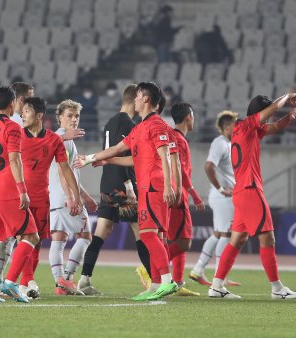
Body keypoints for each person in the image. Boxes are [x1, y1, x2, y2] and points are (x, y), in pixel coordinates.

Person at [75, 82, 179, 301]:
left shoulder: (156, 125)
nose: (136, 99)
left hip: (154, 186)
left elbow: (165, 156)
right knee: (151, 234)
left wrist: (169, 185)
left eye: (139, 95)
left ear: (147, 100)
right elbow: (124, 153)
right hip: (144, 186)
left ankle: (166, 281)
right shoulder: (139, 127)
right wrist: (97, 159)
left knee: (149, 234)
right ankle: (156, 284)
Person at [208, 93, 296, 300]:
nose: (267, 119)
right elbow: (271, 112)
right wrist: (288, 96)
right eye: (265, 113)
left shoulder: (247, 130)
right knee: (267, 237)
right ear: (259, 112)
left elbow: (275, 126)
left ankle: (216, 286)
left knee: (237, 240)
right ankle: (277, 289)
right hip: (250, 190)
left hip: (241, 192)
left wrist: (288, 116)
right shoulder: (245, 125)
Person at [0, 86, 39, 303]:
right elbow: (14, 159)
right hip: (7, 191)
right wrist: (22, 190)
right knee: (31, 235)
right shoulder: (12, 127)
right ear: (12, 104)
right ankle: (11, 282)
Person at [77, 84, 141, 295]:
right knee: (142, 231)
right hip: (123, 185)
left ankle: (84, 280)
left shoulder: (109, 123)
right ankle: (156, 281)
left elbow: (108, 153)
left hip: (107, 183)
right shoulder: (129, 124)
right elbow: (122, 155)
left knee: (101, 232)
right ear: (134, 100)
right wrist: (129, 185)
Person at [18, 96, 83, 299]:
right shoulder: (18, 135)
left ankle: (25, 282)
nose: (22, 115)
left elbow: (66, 169)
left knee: (36, 241)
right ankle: (5, 282)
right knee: (14, 241)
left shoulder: (55, 139)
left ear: (38, 115)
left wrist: (79, 196)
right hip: (23, 197)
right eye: (69, 115)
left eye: (26, 111)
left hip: (43, 198)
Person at [48, 99, 98, 296]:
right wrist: (72, 198)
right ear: (60, 118)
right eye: (69, 116)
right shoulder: (64, 139)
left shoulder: (58, 138)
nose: (74, 119)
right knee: (86, 237)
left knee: (58, 240)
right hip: (65, 197)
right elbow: (62, 171)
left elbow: (71, 174)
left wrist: (84, 196)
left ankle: (59, 284)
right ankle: (67, 279)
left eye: (76, 116)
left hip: (56, 197)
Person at [189, 111, 241, 287]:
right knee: (226, 233)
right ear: (226, 127)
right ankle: (221, 276)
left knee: (218, 233)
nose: (238, 127)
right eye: (235, 124)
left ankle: (198, 269)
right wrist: (220, 188)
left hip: (223, 195)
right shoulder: (220, 144)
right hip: (223, 196)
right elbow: (208, 166)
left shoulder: (229, 143)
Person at [165, 102, 204, 296]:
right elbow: (179, 168)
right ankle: (152, 268)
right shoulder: (178, 139)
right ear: (189, 116)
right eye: (194, 115)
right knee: (184, 241)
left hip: (176, 193)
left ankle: (178, 282)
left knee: (178, 238)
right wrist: (195, 195)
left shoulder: (177, 137)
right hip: (178, 194)